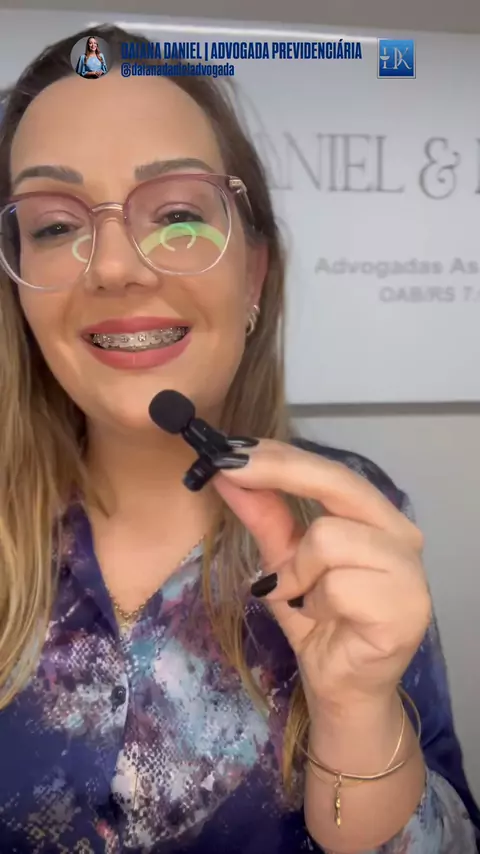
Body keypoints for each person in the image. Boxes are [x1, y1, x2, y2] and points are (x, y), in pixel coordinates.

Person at [0, 24, 478, 854]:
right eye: (53, 226)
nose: (113, 267)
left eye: (178, 214)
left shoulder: (350, 522)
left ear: (252, 274)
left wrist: (357, 714)